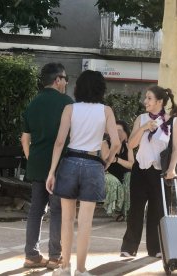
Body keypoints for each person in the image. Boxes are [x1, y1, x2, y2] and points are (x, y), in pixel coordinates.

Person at [46, 70, 119, 276]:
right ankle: (81, 269)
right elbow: (116, 143)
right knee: (85, 222)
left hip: (69, 161)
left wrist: (52, 171)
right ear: (100, 88)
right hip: (94, 164)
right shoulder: (106, 111)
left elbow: (60, 141)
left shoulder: (70, 108)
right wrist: (107, 161)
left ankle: (64, 267)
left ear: (78, 88)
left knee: (66, 219)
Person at [21, 63, 73, 269]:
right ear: (57, 80)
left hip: (36, 165)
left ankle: (31, 255)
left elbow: (25, 139)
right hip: (59, 164)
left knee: (36, 210)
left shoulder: (32, 104)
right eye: (65, 79)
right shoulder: (67, 103)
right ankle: (54, 256)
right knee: (58, 210)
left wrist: (31, 159)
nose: (66, 83)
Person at [120, 85, 177, 258]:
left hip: (160, 172)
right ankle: (129, 247)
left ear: (159, 102)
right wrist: (143, 128)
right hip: (140, 169)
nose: (145, 101)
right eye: (145, 98)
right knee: (136, 210)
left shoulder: (173, 122)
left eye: (149, 98)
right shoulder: (141, 118)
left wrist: (171, 169)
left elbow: (176, 148)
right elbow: (131, 145)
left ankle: (155, 249)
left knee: (158, 211)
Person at [102, 120, 134, 221]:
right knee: (113, 182)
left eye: (120, 131)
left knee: (130, 177)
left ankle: (127, 212)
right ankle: (115, 211)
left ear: (125, 133)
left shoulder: (128, 146)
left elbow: (132, 165)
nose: (117, 133)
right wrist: (115, 145)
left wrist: (117, 159)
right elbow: (106, 160)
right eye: (114, 131)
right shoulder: (105, 144)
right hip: (106, 174)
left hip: (123, 175)